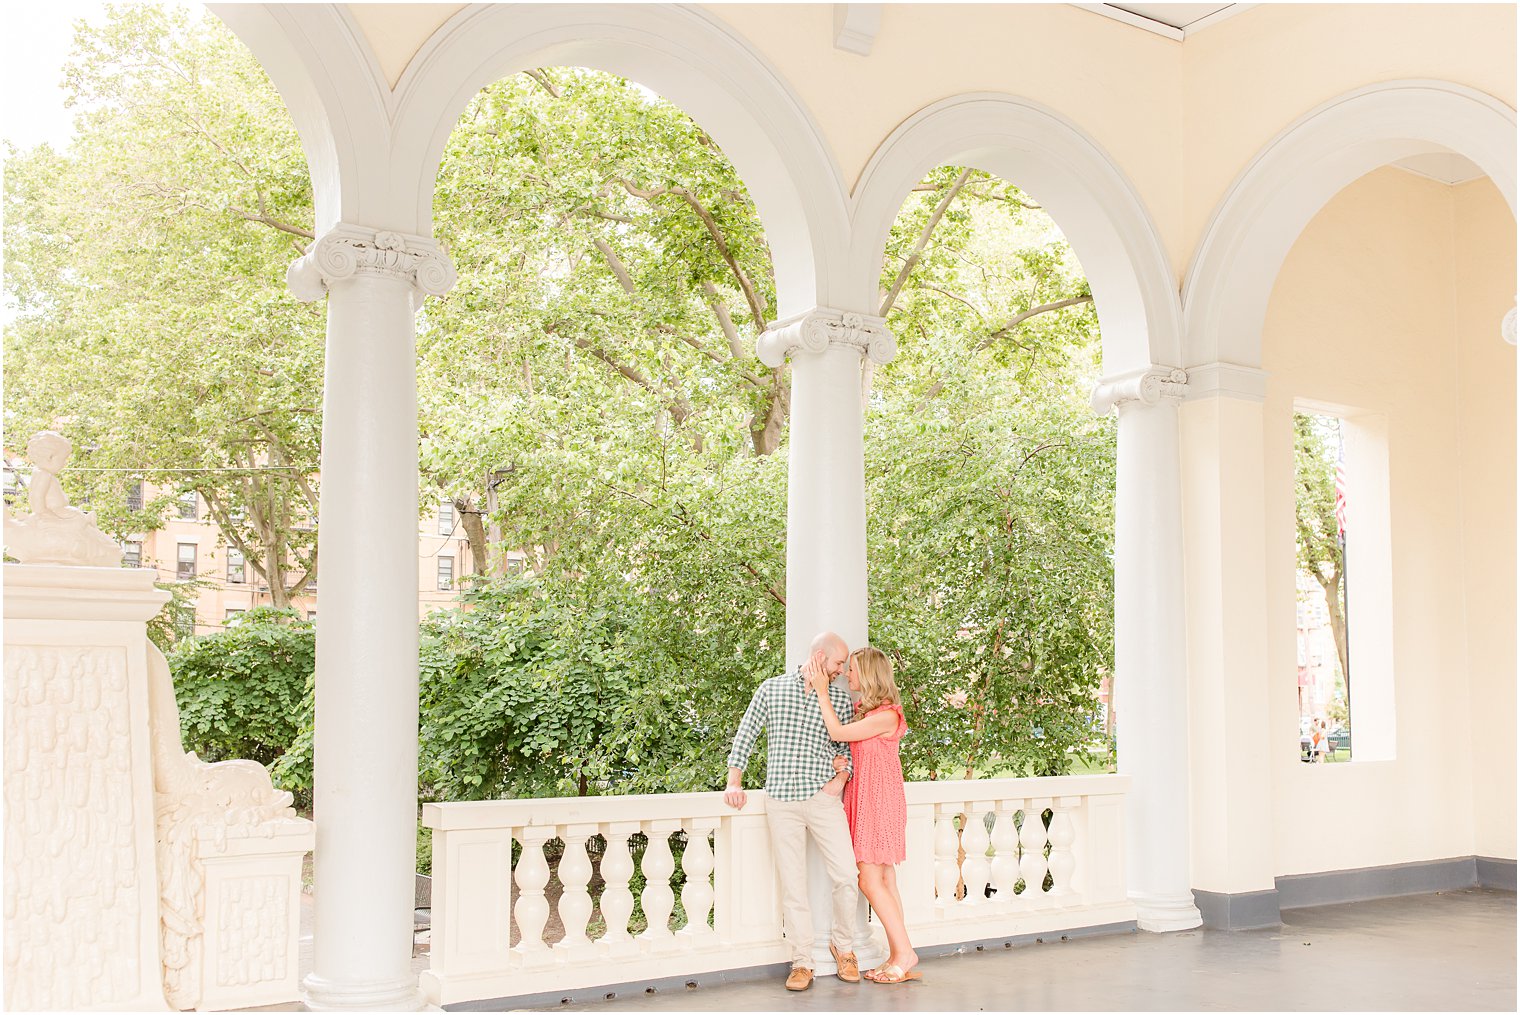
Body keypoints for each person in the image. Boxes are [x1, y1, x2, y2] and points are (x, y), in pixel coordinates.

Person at [724, 631, 862, 992]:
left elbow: (846, 746)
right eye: (837, 663)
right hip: (782, 800)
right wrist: (734, 781)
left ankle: (843, 946)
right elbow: (746, 734)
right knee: (794, 885)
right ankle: (802, 961)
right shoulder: (771, 689)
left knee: (847, 875)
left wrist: (842, 775)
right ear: (819, 656)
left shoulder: (839, 698)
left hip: (823, 797)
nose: (841, 670)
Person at [805, 646, 920, 985]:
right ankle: (900, 955)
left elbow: (837, 733)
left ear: (868, 674)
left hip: (879, 801)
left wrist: (823, 695)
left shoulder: (887, 715)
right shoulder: (868, 714)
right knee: (884, 880)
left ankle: (906, 952)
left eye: (852, 670)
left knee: (869, 880)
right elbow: (856, 751)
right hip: (868, 797)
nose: (847, 676)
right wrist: (842, 764)